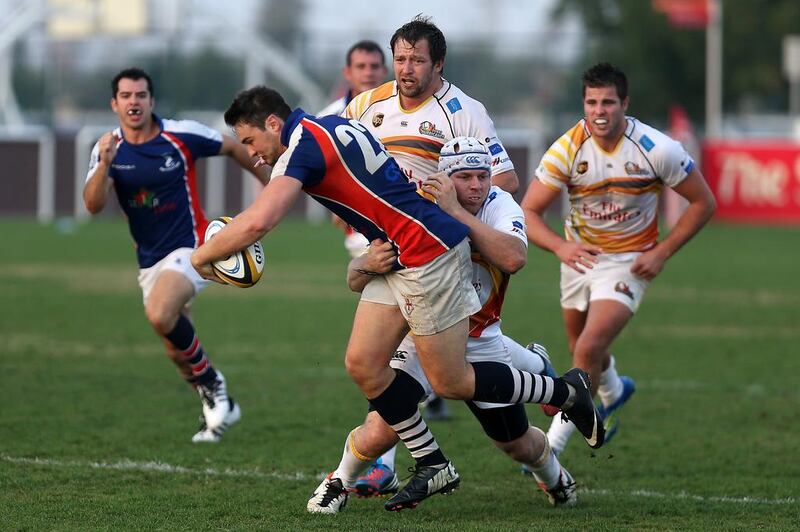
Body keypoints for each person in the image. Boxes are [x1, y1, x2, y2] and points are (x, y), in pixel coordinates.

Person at [190, 86, 603, 512]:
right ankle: (430, 460)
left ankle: (565, 392)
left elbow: (259, 221)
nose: (253, 155)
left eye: (251, 142)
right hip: (399, 254)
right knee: (363, 364)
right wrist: (366, 259)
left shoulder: (303, 145)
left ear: (273, 124)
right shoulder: (331, 125)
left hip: (427, 254)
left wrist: (200, 257)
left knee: (452, 382)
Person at [307, 137, 576, 515]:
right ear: (443, 177)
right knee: (382, 428)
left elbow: (513, 258)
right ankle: (338, 482)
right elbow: (356, 279)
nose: (477, 186)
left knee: (515, 442)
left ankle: (555, 477)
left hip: (479, 338)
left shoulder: (499, 205)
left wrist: (457, 214)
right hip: (422, 335)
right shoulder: (415, 208)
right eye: (464, 177)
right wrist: (366, 263)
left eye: (482, 176)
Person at [341, 16, 523, 494]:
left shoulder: (464, 110)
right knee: (370, 362)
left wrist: (448, 210)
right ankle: (370, 469)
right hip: (389, 254)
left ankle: (544, 381)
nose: (406, 69)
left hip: (438, 259)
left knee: (440, 377)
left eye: (417, 60)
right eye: (400, 58)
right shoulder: (366, 106)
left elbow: (502, 181)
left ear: (437, 64)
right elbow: (337, 161)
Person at [520, 62, 716, 454]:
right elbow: (527, 212)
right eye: (591, 102)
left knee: (587, 350)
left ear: (624, 103)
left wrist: (662, 252)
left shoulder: (657, 149)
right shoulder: (567, 148)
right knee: (583, 348)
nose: (599, 111)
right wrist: (562, 247)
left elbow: (703, 202)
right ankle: (613, 387)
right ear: (583, 104)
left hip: (630, 261)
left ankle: (551, 447)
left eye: (608, 102)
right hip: (579, 259)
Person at [83, 67, 270, 443]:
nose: (133, 102)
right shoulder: (107, 149)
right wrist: (104, 163)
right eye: (126, 96)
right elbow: (92, 204)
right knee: (175, 346)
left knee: (159, 313)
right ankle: (216, 409)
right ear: (114, 103)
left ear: (151, 101)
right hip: (149, 261)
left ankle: (215, 386)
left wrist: (273, 188)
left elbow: (233, 146)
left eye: (140, 95)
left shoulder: (180, 134)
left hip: (194, 247)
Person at [318, 40, 388, 258]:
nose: (368, 72)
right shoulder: (328, 118)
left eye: (374, 66)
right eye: (361, 66)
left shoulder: (400, 109)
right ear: (347, 72)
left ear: (384, 71)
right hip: (358, 218)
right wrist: (336, 203)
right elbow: (319, 165)